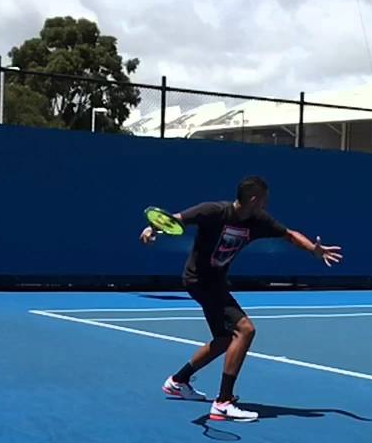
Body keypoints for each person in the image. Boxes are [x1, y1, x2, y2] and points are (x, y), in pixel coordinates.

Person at [140, 176, 343, 422]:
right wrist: (151, 229)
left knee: (224, 339)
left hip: (214, 282)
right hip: (199, 280)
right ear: (254, 200)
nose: (267, 205)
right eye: (265, 200)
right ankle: (223, 402)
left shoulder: (259, 221)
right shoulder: (214, 211)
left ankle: (178, 381)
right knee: (245, 330)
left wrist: (313, 249)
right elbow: (173, 219)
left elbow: (289, 235)